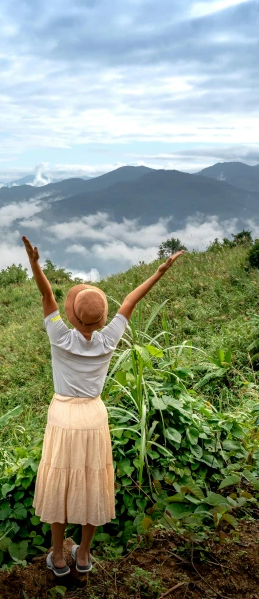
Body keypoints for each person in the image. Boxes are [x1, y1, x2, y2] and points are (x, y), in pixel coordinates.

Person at [22, 236, 183, 577]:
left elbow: (47, 295)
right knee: (93, 482)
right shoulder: (109, 339)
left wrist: (36, 264)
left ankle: (59, 558)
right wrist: (160, 271)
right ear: (99, 319)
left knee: (59, 482)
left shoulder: (60, 338)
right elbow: (130, 300)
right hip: (94, 416)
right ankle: (84, 556)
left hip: (64, 415)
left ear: (74, 317)